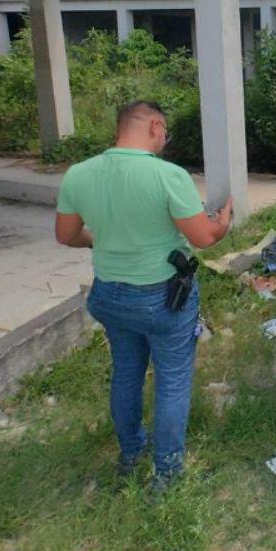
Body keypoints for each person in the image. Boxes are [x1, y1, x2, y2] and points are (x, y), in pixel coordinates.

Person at [54, 101, 233, 493]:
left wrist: (101, 240)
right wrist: (222, 224)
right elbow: (202, 239)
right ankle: (167, 473)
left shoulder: (78, 174)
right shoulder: (168, 176)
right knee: (171, 382)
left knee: (126, 372)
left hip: (109, 296)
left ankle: (131, 452)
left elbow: (66, 235)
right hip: (161, 299)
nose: (165, 140)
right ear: (154, 126)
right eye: (165, 131)